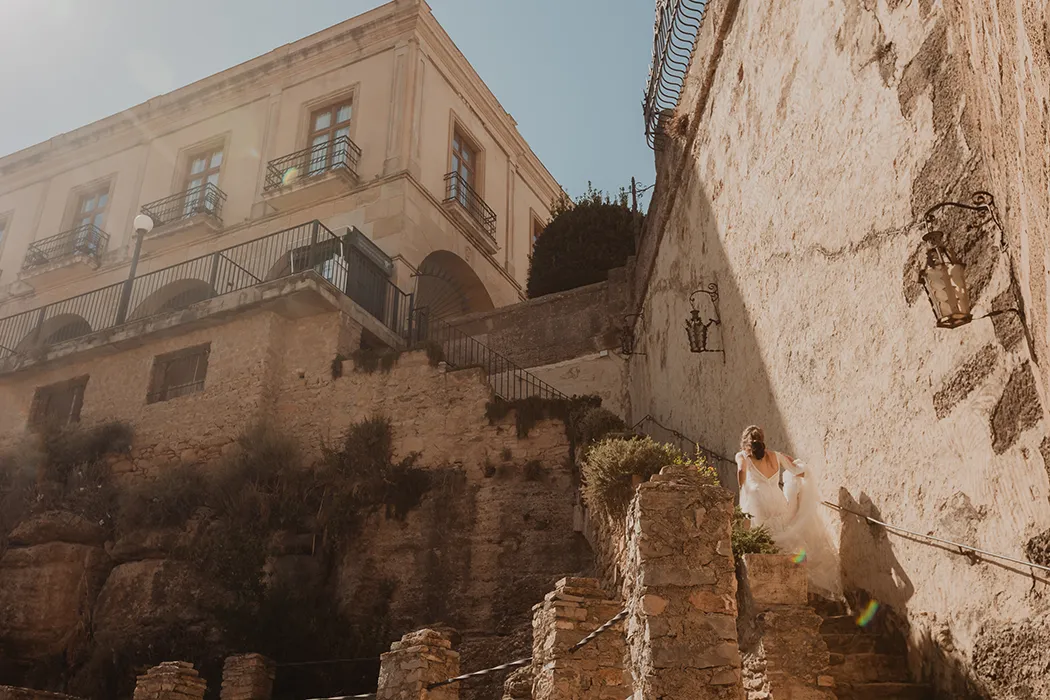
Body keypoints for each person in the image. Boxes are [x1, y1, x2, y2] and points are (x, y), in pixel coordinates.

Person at [735, 425, 840, 596]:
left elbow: (741, 471)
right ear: (762, 439)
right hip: (777, 499)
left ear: (745, 441)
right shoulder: (776, 455)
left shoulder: (742, 456)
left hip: (758, 500)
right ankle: (791, 579)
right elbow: (798, 471)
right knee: (780, 533)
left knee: (764, 537)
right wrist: (802, 475)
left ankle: (771, 584)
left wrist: (741, 486)